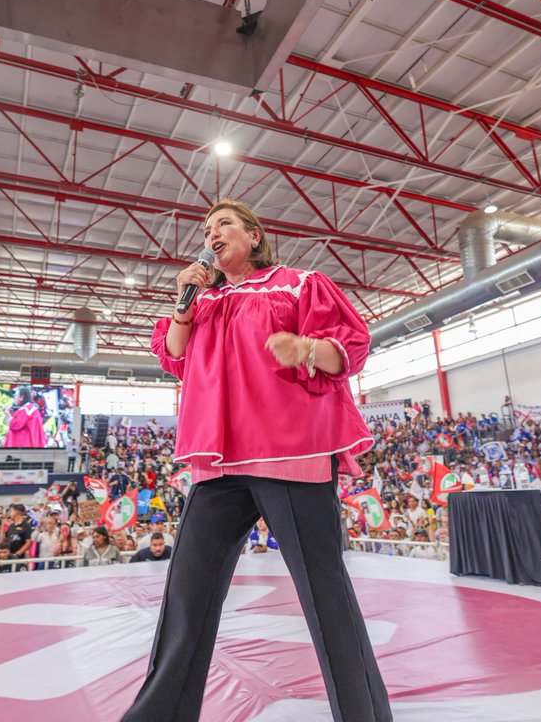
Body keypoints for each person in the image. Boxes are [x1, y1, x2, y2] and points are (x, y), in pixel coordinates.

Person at [121, 199, 391, 722]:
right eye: (206, 228)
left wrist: (308, 348)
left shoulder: (298, 284)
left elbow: (350, 349)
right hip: (218, 465)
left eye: (223, 223)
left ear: (253, 233)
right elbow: (174, 357)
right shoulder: (203, 301)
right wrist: (184, 300)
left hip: (291, 455)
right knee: (186, 599)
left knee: (325, 597)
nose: (211, 232)